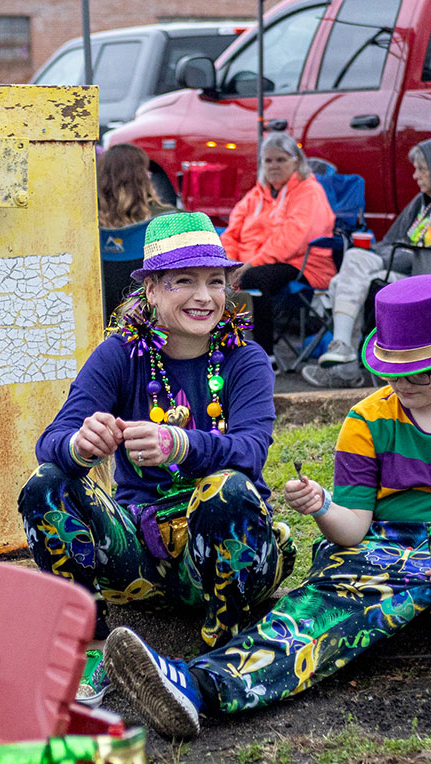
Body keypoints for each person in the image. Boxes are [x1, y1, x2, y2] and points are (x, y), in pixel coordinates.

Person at [103, 274, 431, 746]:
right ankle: (197, 686)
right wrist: (323, 507)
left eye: (421, 370)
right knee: (309, 615)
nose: (406, 384)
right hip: (384, 551)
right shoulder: (366, 421)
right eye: (393, 371)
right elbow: (353, 530)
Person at [19, 212, 296, 709]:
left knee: (227, 489)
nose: (204, 297)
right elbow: (52, 439)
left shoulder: (245, 359)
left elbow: (253, 450)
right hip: (142, 556)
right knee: (47, 482)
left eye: (215, 281)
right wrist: (81, 444)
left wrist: (182, 445)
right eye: (183, 281)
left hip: (232, 557)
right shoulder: (120, 354)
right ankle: (93, 646)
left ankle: (220, 651)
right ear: (150, 290)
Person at [302, 137, 431, 388]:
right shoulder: (422, 203)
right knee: (353, 267)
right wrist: (399, 253)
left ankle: (345, 366)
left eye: (422, 169)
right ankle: (343, 349)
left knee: (344, 281)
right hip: (402, 271)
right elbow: (391, 241)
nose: (414, 175)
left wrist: (420, 250)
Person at [220, 133, 335, 360]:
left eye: (280, 160)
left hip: (301, 262)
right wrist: (229, 265)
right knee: (213, 277)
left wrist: (248, 266)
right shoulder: (256, 194)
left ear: (297, 161)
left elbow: (291, 240)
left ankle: (265, 354)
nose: (273, 166)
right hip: (249, 262)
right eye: (268, 160)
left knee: (255, 278)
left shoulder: (308, 191)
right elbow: (231, 233)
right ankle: (222, 349)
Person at [98, 144, 176, 229]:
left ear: (104, 179)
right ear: (141, 177)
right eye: (146, 170)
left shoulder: (90, 221)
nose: (149, 175)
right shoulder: (168, 217)